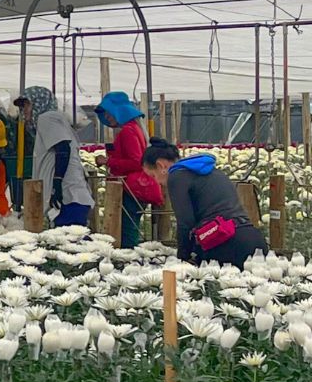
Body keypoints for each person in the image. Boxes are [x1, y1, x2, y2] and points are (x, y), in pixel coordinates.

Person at [142, 138, 266, 268]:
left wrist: (182, 260)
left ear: (161, 165)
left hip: (225, 244)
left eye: (153, 176)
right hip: (252, 238)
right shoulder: (210, 170)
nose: (157, 182)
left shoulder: (176, 176)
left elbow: (185, 222)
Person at [15, 87, 94, 227]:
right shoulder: (53, 120)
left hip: (67, 197)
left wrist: (57, 184)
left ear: (39, 103)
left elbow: (63, 147)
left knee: (69, 242)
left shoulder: (46, 118)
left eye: (27, 104)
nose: (24, 110)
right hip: (70, 197)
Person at [94, 91, 162, 248]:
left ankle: (130, 262)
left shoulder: (127, 131)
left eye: (109, 113)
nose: (108, 117)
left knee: (127, 230)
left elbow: (137, 162)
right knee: (129, 228)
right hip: (134, 188)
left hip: (131, 188)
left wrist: (108, 161)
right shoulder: (134, 128)